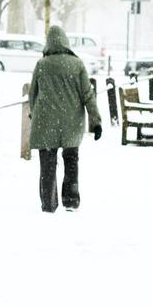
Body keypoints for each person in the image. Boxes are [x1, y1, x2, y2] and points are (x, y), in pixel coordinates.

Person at [29, 25, 102, 212]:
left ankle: (49, 203)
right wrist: (96, 121)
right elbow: (88, 94)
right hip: (72, 122)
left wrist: (34, 112)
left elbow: (32, 94)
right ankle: (70, 199)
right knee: (71, 161)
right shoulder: (77, 64)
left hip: (45, 123)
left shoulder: (42, 65)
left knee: (47, 165)